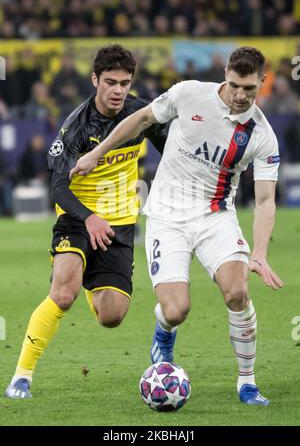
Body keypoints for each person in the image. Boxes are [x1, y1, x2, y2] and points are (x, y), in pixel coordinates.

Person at [69, 47, 284, 406]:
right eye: (234, 86)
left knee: (236, 292)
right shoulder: (188, 94)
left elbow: (264, 200)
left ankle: (246, 382)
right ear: (225, 76)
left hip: (216, 217)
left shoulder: (262, 136)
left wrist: (258, 253)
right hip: (167, 217)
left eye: (249, 88)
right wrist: (97, 152)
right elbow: (139, 120)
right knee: (176, 309)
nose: (241, 95)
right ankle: (164, 331)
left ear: (262, 81)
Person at [5, 44, 167, 399]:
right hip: (77, 218)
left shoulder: (140, 114)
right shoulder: (76, 127)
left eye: (125, 82)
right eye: (110, 81)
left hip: (120, 225)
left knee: (112, 316)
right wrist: (89, 217)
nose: (118, 90)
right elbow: (58, 188)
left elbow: (171, 150)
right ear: (95, 80)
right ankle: (22, 375)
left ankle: (91, 275)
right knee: (63, 293)